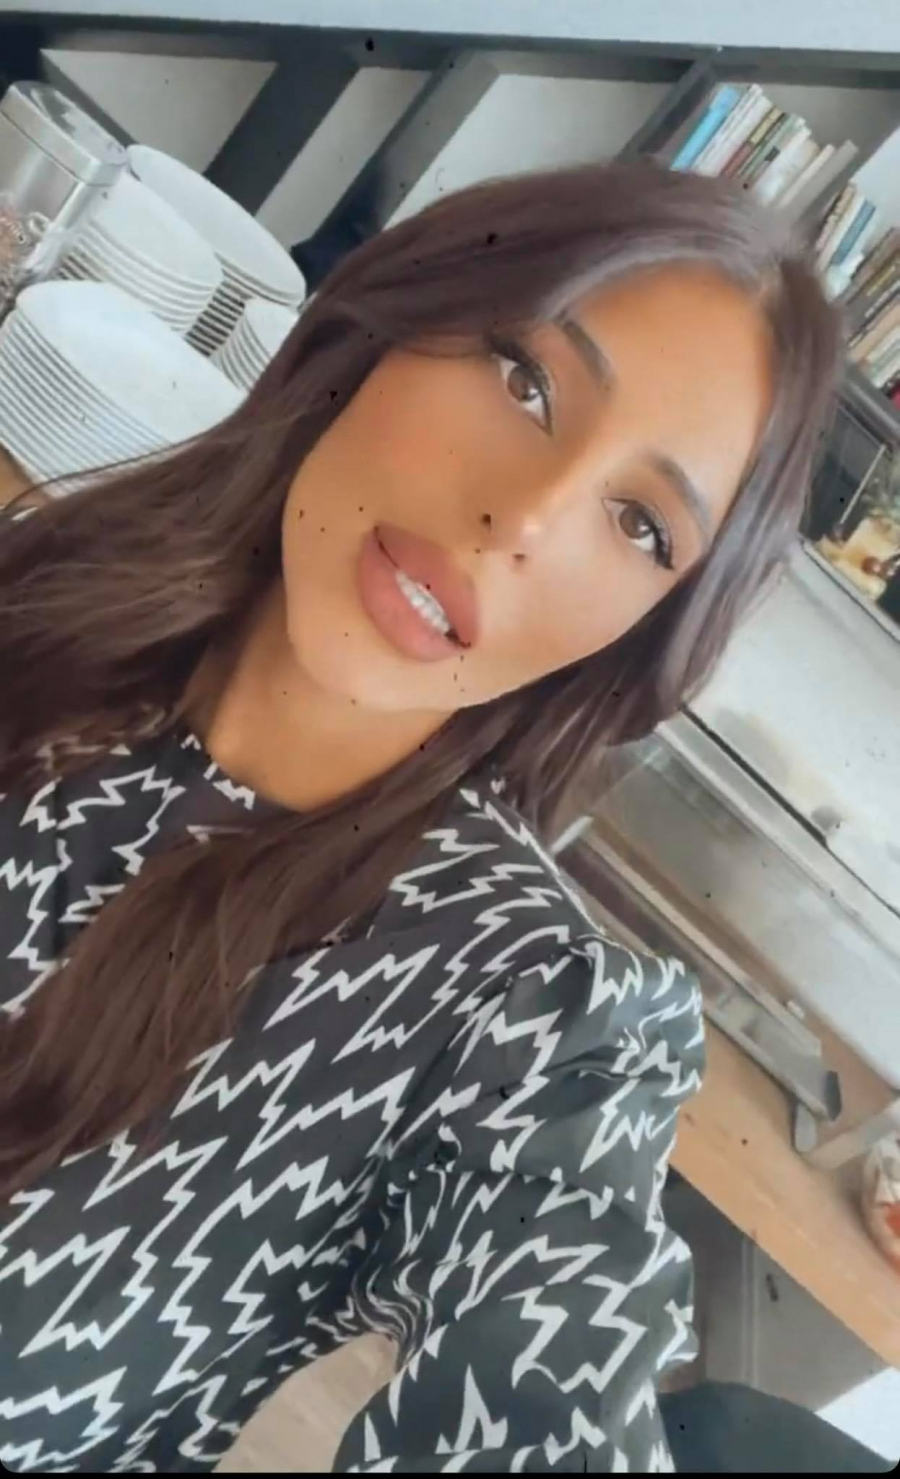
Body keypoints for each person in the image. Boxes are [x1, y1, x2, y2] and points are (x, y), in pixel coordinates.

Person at [0, 160, 840, 1473]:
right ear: (393, 322)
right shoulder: (43, 594)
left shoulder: (525, 1014)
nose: (526, 520)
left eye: (637, 525)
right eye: (526, 378)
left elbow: (555, 1374)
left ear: (649, 631)